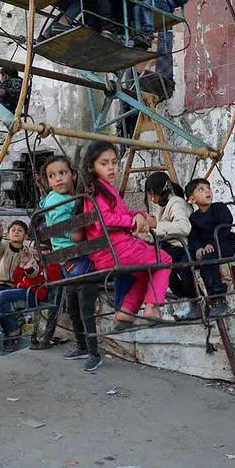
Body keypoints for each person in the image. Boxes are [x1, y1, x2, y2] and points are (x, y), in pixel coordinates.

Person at [81, 141, 170, 341]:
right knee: (163, 259)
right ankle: (152, 307)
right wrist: (132, 221)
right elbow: (106, 219)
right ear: (91, 167)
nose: (111, 167)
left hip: (109, 252)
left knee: (143, 273)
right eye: (104, 163)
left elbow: (121, 213)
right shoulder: (95, 192)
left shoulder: (105, 190)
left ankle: (125, 312)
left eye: (114, 162)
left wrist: (139, 214)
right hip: (116, 250)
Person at [33, 154, 97, 360]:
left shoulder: (62, 199)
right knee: (78, 306)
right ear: (48, 181)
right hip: (72, 258)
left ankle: (88, 349)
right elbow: (68, 229)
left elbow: (55, 217)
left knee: (79, 306)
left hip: (72, 260)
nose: (58, 178)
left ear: (73, 175)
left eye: (63, 173)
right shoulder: (60, 200)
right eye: (52, 176)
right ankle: (87, 349)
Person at [144, 172, 200, 320]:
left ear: (153, 192)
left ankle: (191, 300)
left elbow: (184, 227)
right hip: (172, 246)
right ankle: (184, 299)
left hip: (184, 246)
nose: (150, 198)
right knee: (159, 266)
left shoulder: (176, 203)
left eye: (150, 193)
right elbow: (161, 230)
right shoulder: (162, 206)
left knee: (165, 261)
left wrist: (156, 224)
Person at [185, 178, 235, 318]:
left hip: (223, 244)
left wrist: (212, 243)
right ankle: (195, 301)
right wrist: (198, 248)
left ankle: (219, 300)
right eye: (201, 189)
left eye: (208, 188)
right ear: (192, 199)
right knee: (184, 262)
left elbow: (225, 225)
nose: (207, 191)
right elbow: (193, 236)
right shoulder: (194, 217)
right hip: (206, 248)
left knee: (207, 260)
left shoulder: (219, 208)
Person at [150, 0, 189, 88]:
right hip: (152, 13)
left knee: (165, 45)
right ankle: (144, 74)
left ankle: (164, 76)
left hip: (165, 14)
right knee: (149, 46)